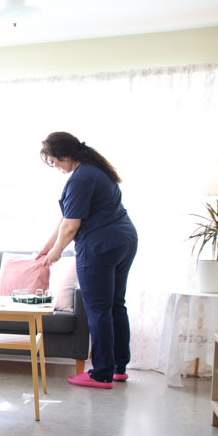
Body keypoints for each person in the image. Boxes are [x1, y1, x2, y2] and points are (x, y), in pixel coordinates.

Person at [35, 132, 137, 389]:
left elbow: (70, 227)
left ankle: (101, 373)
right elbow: (65, 219)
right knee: (115, 304)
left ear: (65, 156)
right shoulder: (95, 172)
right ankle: (117, 367)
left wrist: (57, 252)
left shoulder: (80, 179)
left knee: (98, 308)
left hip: (100, 246)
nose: (55, 167)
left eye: (54, 161)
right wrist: (47, 248)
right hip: (124, 240)